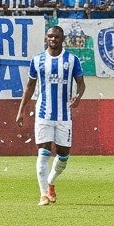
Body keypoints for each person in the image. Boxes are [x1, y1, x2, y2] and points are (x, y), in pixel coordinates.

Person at [15, 25, 86, 206]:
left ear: (62, 39)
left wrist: (78, 96)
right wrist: (21, 109)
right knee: (44, 152)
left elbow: (81, 83)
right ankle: (43, 194)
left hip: (64, 116)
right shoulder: (37, 60)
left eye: (56, 37)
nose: (52, 39)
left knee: (63, 157)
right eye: (50, 36)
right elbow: (30, 86)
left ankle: (51, 183)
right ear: (46, 38)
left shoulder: (72, 60)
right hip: (43, 114)